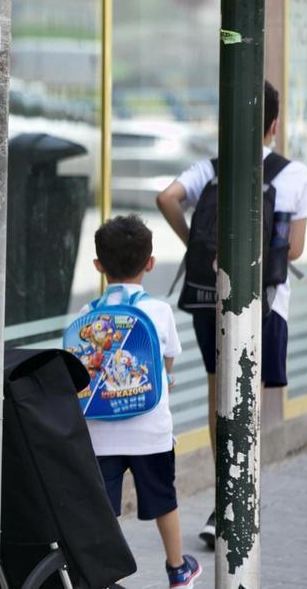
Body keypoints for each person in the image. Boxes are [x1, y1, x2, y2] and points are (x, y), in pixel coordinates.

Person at [156, 80, 307, 547]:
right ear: (273, 124)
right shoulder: (293, 174)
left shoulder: (209, 169)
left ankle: (222, 496)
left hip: (212, 299)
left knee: (218, 396)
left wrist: (199, 247)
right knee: (250, 397)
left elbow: (166, 198)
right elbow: (298, 249)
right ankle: (240, 494)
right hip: (266, 305)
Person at [75, 215, 200, 588]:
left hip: (100, 433)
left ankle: (102, 576)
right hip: (151, 433)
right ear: (150, 263)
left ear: (98, 266)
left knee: (103, 510)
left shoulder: (87, 316)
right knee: (164, 500)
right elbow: (166, 363)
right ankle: (177, 568)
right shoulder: (159, 312)